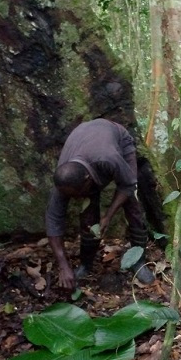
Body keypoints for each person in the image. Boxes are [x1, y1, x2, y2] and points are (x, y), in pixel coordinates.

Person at [46, 118, 155, 289]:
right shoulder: (64, 180)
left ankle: (138, 260)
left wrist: (108, 216)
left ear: (88, 179)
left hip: (119, 141)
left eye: (78, 194)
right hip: (85, 139)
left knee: (132, 206)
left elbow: (128, 185)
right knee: (88, 214)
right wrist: (63, 266)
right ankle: (86, 263)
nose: (75, 199)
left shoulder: (109, 158)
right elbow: (53, 221)